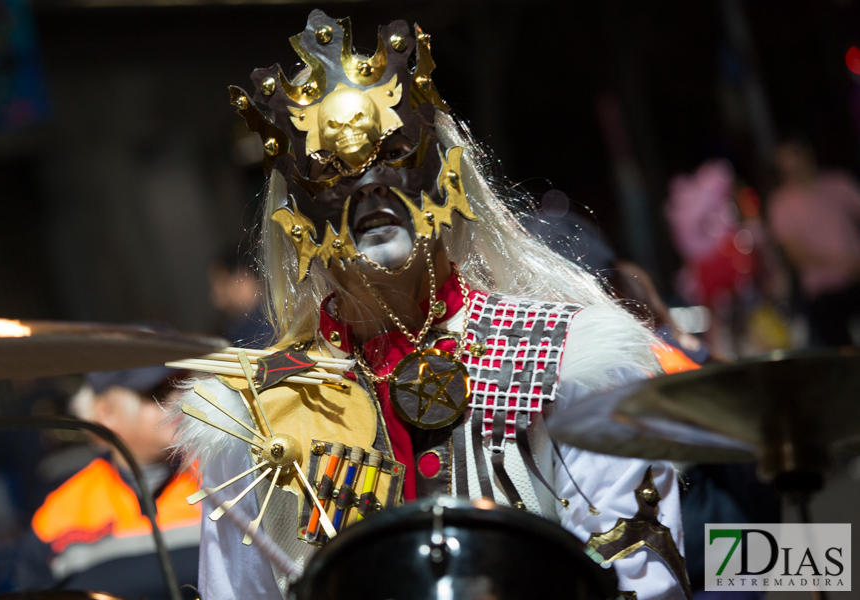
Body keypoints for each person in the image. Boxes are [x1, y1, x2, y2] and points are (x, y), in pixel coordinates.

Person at [171, 11, 688, 600]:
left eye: (392, 153)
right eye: (329, 173)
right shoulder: (256, 420)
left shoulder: (569, 360)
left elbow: (638, 580)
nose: (367, 187)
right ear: (294, 219)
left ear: (447, 174)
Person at [17, 367, 201, 599]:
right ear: (105, 412)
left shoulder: (226, 484)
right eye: (157, 392)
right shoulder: (59, 515)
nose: (177, 400)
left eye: (182, 385)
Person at [767, 137, 860, 347]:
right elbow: (796, 255)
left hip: (857, 278)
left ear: (808, 155)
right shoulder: (781, 203)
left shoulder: (838, 183)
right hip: (824, 293)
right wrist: (845, 265)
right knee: (843, 354)